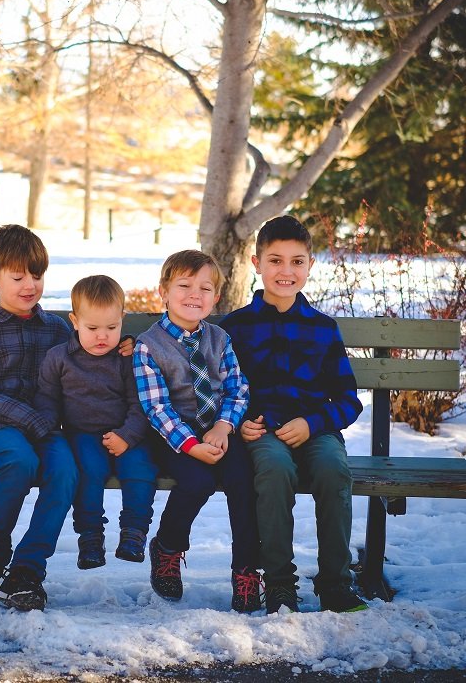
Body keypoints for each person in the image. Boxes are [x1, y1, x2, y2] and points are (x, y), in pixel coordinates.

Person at [221, 215, 368, 615]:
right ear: (256, 263)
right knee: (273, 470)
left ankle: (336, 583)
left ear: (310, 265)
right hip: (263, 430)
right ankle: (280, 584)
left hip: (316, 428)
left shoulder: (322, 328)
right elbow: (221, 387)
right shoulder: (234, 327)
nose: (286, 271)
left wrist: (313, 423)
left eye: (297, 261)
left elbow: (348, 398)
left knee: (333, 470)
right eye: (275, 260)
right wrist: (241, 421)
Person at [133, 250, 262, 614]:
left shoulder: (220, 339)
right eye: (184, 286)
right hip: (173, 437)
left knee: (242, 480)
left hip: (220, 430)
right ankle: (168, 547)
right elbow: (156, 408)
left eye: (205, 288)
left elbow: (238, 388)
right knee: (198, 482)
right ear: (164, 291)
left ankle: (246, 571)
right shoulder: (148, 346)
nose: (195, 295)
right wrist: (190, 445)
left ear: (216, 297)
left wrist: (224, 426)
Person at [0, 224, 78, 612]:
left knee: (64, 471)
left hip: (45, 428)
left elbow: (87, 363)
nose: (30, 285)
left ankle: (27, 570)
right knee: (20, 461)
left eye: (37, 275)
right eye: (17, 276)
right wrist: (27, 418)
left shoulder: (57, 328)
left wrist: (120, 347)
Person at [35, 275, 158, 570]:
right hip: (83, 435)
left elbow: (140, 404)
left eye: (112, 328)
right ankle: (90, 537)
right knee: (87, 472)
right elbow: (47, 400)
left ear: (122, 320)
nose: (102, 336)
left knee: (141, 468)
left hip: (129, 433)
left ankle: (134, 531)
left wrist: (127, 435)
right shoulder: (59, 359)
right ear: (74, 321)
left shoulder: (128, 359)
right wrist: (48, 433)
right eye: (92, 328)